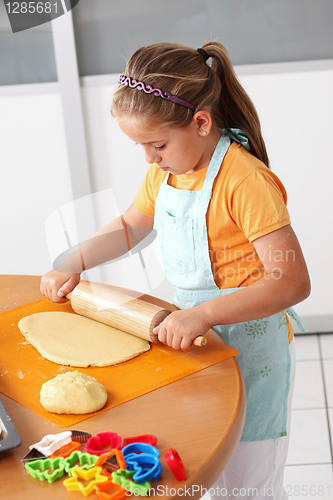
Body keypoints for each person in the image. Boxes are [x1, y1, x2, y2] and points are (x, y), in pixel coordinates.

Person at [41, 42, 311, 499]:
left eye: (157, 144)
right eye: (139, 146)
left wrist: (203, 314)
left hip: (250, 352)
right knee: (206, 465)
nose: (148, 157)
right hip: (196, 343)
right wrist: (74, 260)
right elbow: (130, 225)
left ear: (201, 122)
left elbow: (292, 281)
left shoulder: (244, 182)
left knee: (247, 485)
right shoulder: (167, 170)